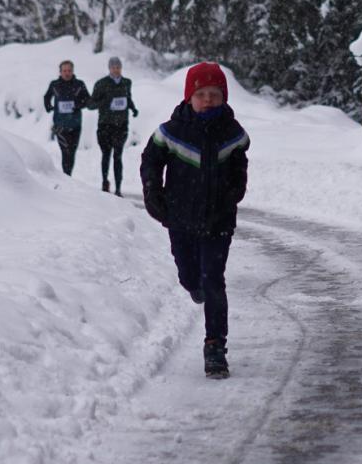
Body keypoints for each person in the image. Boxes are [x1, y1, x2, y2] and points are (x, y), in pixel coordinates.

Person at [140, 62, 250, 379]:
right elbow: (150, 161)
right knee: (190, 275)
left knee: (214, 279)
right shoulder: (171, 131)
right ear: (189, 96)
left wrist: (234, 192)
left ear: (224, 98)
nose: (208, 100)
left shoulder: (233, 134)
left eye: (214, 94)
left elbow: (240, 167)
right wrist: (152, 192)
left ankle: (215, 345)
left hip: (219, 220)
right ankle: (194, 284)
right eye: (201, 94)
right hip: (180, 216)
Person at [89, 56, 139, 196]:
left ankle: (118, 188)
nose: (116, 70)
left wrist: (133, 108)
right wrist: (104, 103)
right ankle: (105, 182)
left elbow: (127, 98)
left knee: (118, 156)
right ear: (109, 68)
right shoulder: (101, 84)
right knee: (106, 155)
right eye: (113, 67)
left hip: (121, 125)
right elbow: (91, 104)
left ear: (121, 68)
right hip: (105, 125)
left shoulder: (126, 82)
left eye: (118, 67)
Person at [43, 60, 91, 176]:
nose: (67, 73)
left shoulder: (79, 84)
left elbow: (88, 100)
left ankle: (68, 175)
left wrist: (78, 105)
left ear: (72, 71)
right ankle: (67, 176)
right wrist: (49, 106)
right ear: (60, 72)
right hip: (60, 125)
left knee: (72, 152)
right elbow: (47, 97)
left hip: (75, 125)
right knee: (65, 152)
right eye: (64, 71)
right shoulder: (55, 84)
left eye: (69, 70)